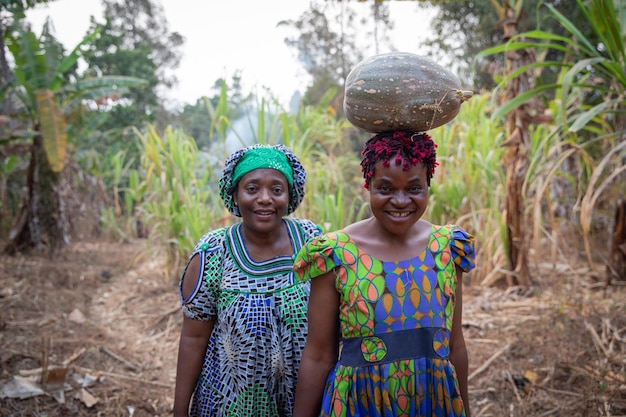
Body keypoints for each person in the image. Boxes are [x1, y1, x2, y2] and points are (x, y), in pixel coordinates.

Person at [292, 131, 476, 417]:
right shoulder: (336, 254)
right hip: (359, 405)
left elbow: (455, 348)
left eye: (414, 188)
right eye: (385, 188)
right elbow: (318, 356)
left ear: (428, 185)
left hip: (432, 402)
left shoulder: (447, 249)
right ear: (368, 186)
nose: (400, 201)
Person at [173, 144, 322, 417]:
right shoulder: (214, 252)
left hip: (304, 400)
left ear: (290, 195)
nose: (265, 198)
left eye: (276, 190)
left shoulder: (312, 242)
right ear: (235, 195)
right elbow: (193, 338)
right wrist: (179, 409)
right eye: (252, 189)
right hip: (230, 402)